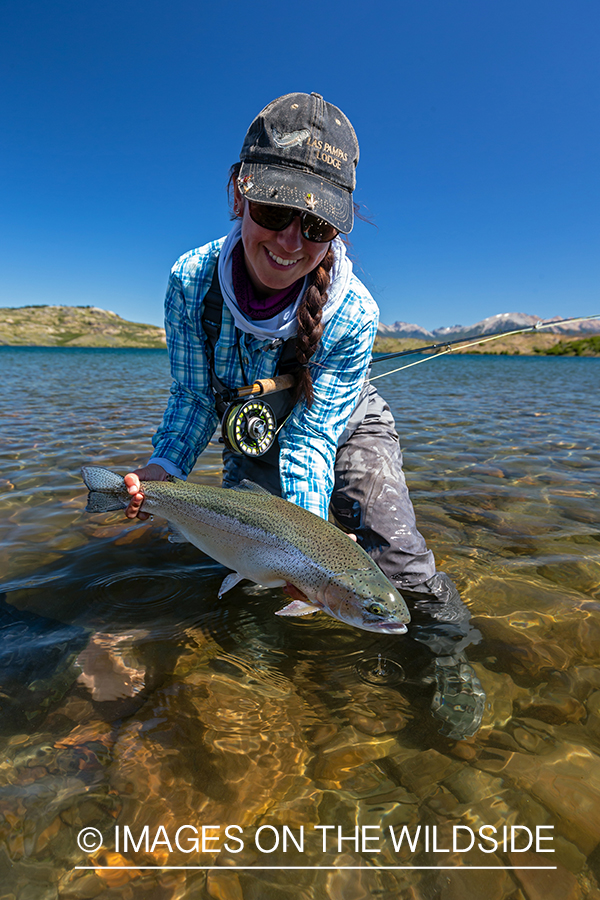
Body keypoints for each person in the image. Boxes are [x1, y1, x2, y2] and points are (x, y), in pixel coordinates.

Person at [124, 92, 483, 739]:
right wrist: (162, 467)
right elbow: (192, 397)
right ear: (238, 194)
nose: (291, 241)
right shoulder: (190, 282)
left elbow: (316, 436)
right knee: (243, 564)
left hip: (341, 420)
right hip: (255, 427)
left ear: (337, 230)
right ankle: (265, 690)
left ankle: (448, 655)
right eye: (273, 210)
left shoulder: (355, 311)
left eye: (316, 226)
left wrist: (313, 542)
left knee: (395, 554)